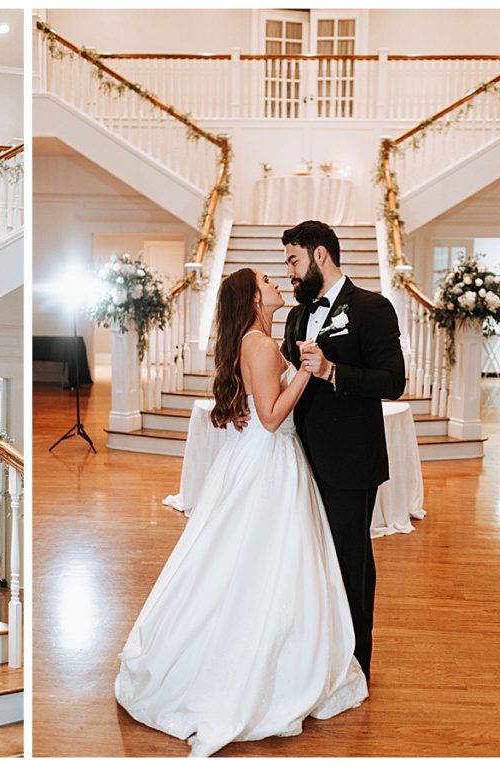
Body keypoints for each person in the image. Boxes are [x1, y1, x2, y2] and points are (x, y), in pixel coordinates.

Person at [114, 268, 367, 757]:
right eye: (267, 281)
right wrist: (308, 375)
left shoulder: (254, 341)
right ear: (254, 298)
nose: (275, 285)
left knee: (247, 564)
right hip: (268, 462)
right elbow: (272, 419)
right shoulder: (260, 345)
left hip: (255, 460)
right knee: (261, 565)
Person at [281, 220, 405, 682]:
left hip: (350, 461)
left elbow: (393, 382)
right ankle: (315, 659)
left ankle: (355, 666)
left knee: (349, 560)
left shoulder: (372, 308)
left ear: (319, 256)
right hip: (298, 459)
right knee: (307, 560)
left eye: (294, 260)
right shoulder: (297, 314)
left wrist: (333, 371)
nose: (290, 272)